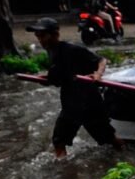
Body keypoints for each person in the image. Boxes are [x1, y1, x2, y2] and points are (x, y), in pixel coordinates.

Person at [26, 18, 123, 158]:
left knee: (109, 139)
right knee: (59, 141)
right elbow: (62, 77)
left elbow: (101, 60)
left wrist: (98, 74)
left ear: (55, 35)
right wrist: (47, 79)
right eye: (38, 36)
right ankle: (64, 172)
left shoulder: (71, 49)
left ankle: (127, 158)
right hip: (71, 103)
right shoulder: (51, 51)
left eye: (43, 36)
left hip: (89, 102)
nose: (40, 40)